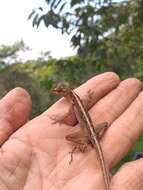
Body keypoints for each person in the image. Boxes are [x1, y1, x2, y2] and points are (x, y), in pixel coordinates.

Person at [0, 72, 143, 190]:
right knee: (104, 124)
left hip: (88, 133)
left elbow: (67, 115)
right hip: (93, 131)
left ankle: (84, 143)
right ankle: (92, 139)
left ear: (67, 94)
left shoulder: (74, 104)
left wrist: (58, 120)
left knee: (69, 138)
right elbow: (86, 101)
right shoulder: (79, 101)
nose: (57, 92)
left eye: (60, 91)